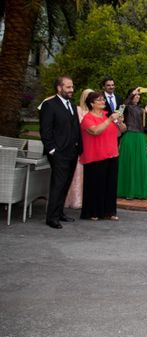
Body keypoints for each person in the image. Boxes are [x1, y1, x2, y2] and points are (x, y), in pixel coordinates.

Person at [39, 76, 84, 229]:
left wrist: (79, 148)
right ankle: (51, 218)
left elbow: (75, 128)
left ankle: (59, 213)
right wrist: (52, 150)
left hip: (72, 152)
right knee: (58, 184)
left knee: (66, 184)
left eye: (72, 87)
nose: (72, 90)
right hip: (58, 153)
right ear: (59, 88)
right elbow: (45, 131)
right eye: (68, 87)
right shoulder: (49, 105)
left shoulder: (71, 104)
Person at [80, 91, 126, 220]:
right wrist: (110, 120)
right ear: (92, 103)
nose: (103, 102)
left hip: (111, 154)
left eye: (103, 100)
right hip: (96, 156)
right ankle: (94, 212)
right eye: (99, 100)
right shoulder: (88, 118)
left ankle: (109, 211)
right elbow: (95, 131)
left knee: (110, 184)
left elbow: (121, 131)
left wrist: (120, 122)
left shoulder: (107, 116)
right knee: (96, 185)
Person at [117, 88, 147, 199]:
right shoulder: (125, 106)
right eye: (136, 94)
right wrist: (132, 94)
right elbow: (120, 110)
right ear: (131, 95)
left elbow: (146, 126)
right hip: (129, 135)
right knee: (129, 163)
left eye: (139, 95)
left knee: (140, 164)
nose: (138, 96)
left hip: (140, 137)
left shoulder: (141, 109)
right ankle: (126, 191)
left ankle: (139, 192)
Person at [64, 88, 93, 209]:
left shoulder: (95, 112)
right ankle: (75, 199)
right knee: (78, 172)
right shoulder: (78, 110)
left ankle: (88, 199)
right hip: (81, 144)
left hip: (92, 145)